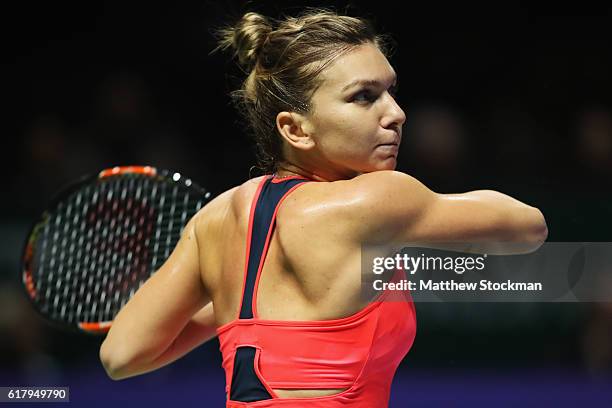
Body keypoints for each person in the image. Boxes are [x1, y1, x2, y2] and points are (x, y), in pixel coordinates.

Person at [99, 8, 548, 406]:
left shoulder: (214, 219)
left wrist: (230, 308)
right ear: (296, 130)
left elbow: (122, 355)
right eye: (363, 97)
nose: (396, 113)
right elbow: (528, 229)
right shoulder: (379, 199)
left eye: (391, 91)